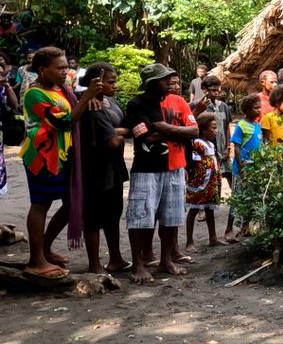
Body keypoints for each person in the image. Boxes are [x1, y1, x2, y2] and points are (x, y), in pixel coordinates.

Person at [19, 47, 102, 278]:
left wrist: (88, 99)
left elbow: (75, 107)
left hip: (63, 155)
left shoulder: (61, 88)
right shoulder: (34, 94)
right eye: (60, 68)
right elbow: (64, 122)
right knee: (41, 204)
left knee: (71, 203)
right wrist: (85, 98)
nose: (65, 71)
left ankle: (44, 248)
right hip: (42, 156)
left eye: (66, 67)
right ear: (42, 69)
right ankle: (36, 260)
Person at [122, 63, 197, 284]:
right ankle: (138, 264)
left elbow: (193, 131)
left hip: (173, 167)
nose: (171, 84)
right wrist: (176, 133)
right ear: (152, 83)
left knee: (171, 215)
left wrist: (163, 128)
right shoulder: (137, 104)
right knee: (140, 216)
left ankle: (166, 260)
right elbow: (146, 137)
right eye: (165, 80)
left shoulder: (175, 102)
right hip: (146, 168)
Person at [77, 63, 131, 275]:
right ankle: (94, 263)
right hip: (94, 168)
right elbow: (112, 142)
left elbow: (130, 127)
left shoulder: (111, 102)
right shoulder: (89, 106)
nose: (115, 86)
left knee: (113, 214)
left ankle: (115, 258)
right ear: (96, 83)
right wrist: (118, 134)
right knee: (93, 217)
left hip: (114, 167)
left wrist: (116, 131)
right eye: (111, 82)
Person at [191, 75, 234, 225]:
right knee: (206, 179)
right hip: (208, 151)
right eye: (213, 90)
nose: (216, 93)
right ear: (204, 90)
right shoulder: (202, 107)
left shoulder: (223, 106)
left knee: (229, 175)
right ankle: (202, 209)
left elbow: (227, 127)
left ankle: (236, 204)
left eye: (218, 90)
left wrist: (228, 147)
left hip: (224, 149)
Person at [185, 113, 225, 253]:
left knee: (209, 209)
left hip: (211, 183)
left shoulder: (209, 144)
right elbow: (194, 163)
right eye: (213, 127)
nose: (216, 130)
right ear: (203, 129)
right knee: (194, 209)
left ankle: (213, 238)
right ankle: (189, 241)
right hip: (200, 183)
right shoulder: (197, 144)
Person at [228, 95, 263, 241]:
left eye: (260, 107)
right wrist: (241, 167)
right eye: (256, 108)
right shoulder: (241, 125)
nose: (259, 110)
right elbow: (236, 148)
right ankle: (228, 229)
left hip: (254, 168)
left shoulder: (257, 125)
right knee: (237, 198)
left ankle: (245, 227)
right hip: (242, 168)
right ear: (247, 110)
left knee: (250, 198)